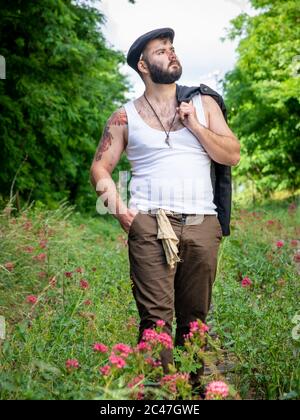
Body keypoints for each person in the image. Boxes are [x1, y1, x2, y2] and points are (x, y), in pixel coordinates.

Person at [90, 28, 240, 381]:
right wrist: (121, 210)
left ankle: (192, 391)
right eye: (161, 51)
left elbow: (232, 155)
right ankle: (159, 395)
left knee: (195, 319)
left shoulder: (204, 104)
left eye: (173, 48)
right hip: (150, 224)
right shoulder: (124, 116)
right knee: (155, 320)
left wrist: (196, 127)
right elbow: (100, 167)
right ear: (143, 64)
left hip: (203, 223)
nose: (171, 54)